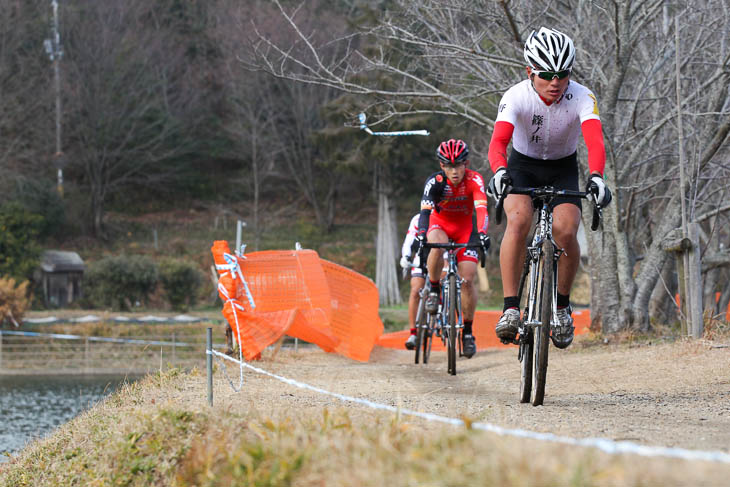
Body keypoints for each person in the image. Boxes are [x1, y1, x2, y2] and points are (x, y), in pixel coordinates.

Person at [486, 27, 612, 349]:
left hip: (562, 167)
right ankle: (511, 307)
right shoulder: (516, 96)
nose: (555, 82)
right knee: (518, 220)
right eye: (546, 75)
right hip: (522, 166)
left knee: (567, 230)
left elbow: (594, 140)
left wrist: (597, 176)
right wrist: (500, 171)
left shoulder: (583, 97)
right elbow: (498, 142)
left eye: (563, 74)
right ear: (530, 72)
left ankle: (561, 306)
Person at [414, 139, 490, 359]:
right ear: (442, 166)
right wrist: (421, 233)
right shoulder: (435, 182)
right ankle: (435, 289)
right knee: (436, 246)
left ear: (466, 164)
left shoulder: (475, 179)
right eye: (449, 166)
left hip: (465, 229)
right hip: (440, 225)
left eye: (458, 165)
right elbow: (425, 213)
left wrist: (483, 234)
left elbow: (482, 210)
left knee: (467, 278)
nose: (454, 171)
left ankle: (467, 332)